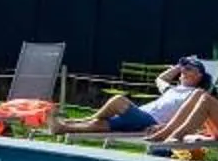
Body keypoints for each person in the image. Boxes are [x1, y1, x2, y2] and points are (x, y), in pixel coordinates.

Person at [70, 57, 209, 133]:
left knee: (118, 101)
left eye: (189, 69)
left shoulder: (196, 94)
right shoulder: (173, 90)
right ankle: (62, 127)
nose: (183, 71)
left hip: (151, 122)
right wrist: (178, 67)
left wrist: (165, 127)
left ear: (199, 76)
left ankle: (88, 117)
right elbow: (160, 79)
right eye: (183, 69)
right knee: (102, 124)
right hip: (140, 116)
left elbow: (192, 118)